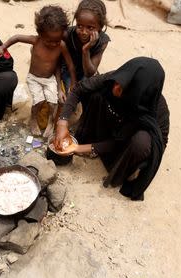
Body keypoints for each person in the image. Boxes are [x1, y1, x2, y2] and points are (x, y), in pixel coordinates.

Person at [54, 57, 170, 201]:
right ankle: (89, 136)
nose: (115, 88)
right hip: (117, 124)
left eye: (122, 89)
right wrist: (62, 122)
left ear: (137, 93)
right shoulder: (115, 78)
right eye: (118, 83)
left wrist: (78, 149)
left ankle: (123, 170)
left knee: (141, 143)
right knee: (97, 93)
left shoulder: (154, 110)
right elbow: (80, 89)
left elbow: (119, 142)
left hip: (131, 144)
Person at [0, 5, 77, 137]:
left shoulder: (61, 45)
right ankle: (33, 119)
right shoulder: (36, 41)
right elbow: (16, 37)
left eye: (57, 40)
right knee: (38, 101)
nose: (54, 44)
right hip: (34, 78)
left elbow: (71, 66)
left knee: (53, 103)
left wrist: (73, 83)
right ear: (40, 34)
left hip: (50, 79)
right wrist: (3, 47)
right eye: (49, 41)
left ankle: (51, 122)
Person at [60, 0, 110, 97]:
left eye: (90, 28)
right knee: (70, 94)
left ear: (100, 27)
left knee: (88, 91)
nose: (83, 32)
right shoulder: (68, 34)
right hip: (68, 69)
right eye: (79, 26)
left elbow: (89, 73)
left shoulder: (103, 41)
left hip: (86, 71)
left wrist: (86, 50)